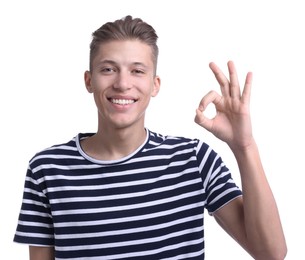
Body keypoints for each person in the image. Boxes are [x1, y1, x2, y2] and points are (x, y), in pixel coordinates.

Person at [14, 15, 287, 260]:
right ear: (89, 80)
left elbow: (271, 253)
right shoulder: (47, 169)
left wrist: (244, 146)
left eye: (137, 70)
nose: (122, 83)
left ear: (154, 84)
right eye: (108, 69)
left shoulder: (193, 159)